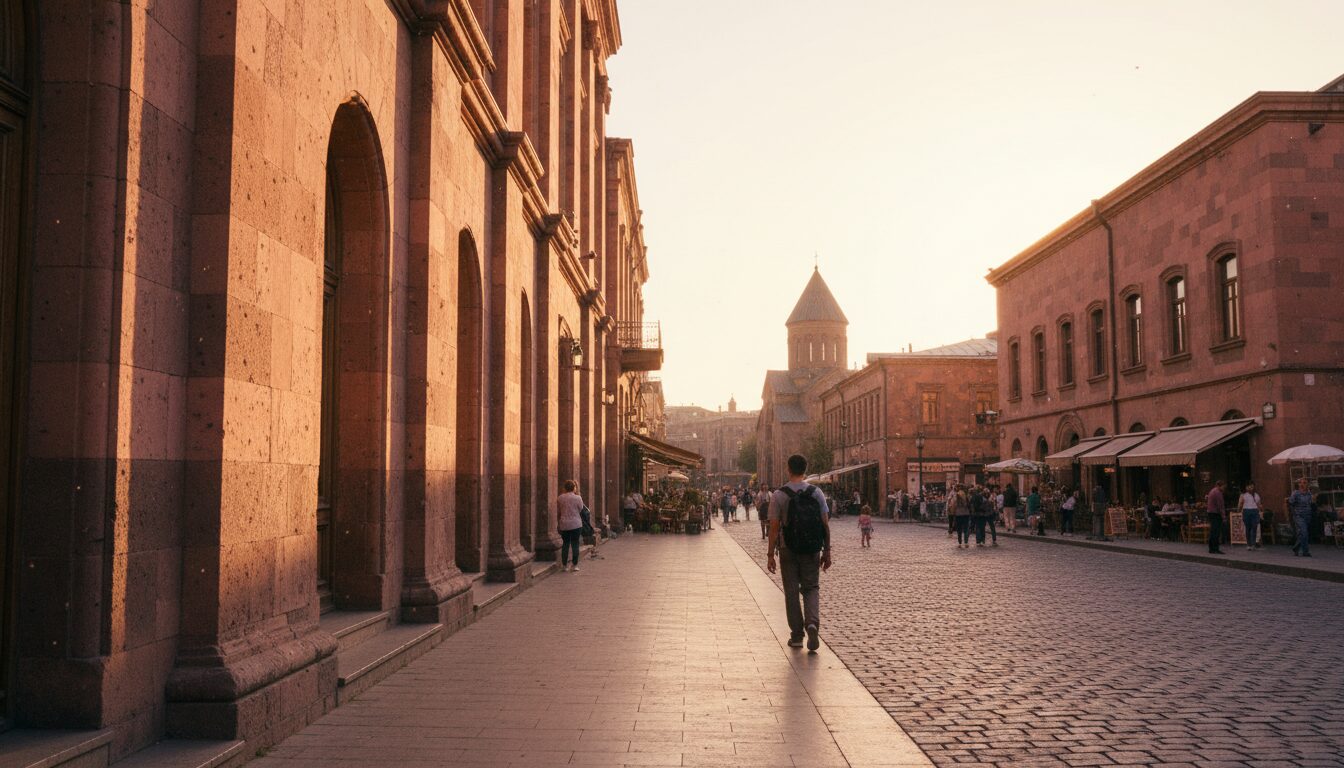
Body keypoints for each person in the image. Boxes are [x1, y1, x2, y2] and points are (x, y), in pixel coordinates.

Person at [766, 454, 832, 652]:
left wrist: (770, 554)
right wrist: (826, 551)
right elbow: (825, 525)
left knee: (792, 592)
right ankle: (812, 623)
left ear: (788, 469)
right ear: (805, 469)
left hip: (788, 549)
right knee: (811, 587)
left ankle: (796, 635)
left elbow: (774, 528)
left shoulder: (779, 495)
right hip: (812, 548)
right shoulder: (816, 493)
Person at [557, 480, 585, 572]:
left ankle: (564, 565)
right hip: (576, 524)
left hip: (564, 524)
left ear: (565, 488)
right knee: (575, 544)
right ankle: (575, 565)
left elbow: (559, 510)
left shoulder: (560, 498)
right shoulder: (578, 498)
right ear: (574, 488)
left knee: (565, 544)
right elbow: (581, 509)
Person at [1288, 478, 1314, 557]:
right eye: (1300, 483)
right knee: (1304, 533)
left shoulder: (1309, 494)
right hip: (1299, 516)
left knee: (1302, 534)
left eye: (1304, 483)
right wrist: (1294, 514)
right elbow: (1290, 503)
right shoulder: (1295, 493)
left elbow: (1310, 504)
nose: (1302, 484)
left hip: (1307, 516)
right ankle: (1305, 552)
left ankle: (1296, 548)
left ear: (1307, 485)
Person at [1238, 482, 1263, 551]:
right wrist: (1239, 510)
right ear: (1246, 488)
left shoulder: (1256, 495)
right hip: (1246, 511)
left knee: (1254, 528)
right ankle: (1248, 544)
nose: (1250, 488)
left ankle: (1253, 544)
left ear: (1254, 487)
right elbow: (1240, 504)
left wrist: (1260, 511)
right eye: (1249, 487)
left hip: (1254, 511)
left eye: (1252, 487)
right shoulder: (1244, 495)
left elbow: (1259, 504)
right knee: (1248, 528)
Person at [1205, 479, 1227, 555]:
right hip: (1215, 513)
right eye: (1223, 486)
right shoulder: (1218, 493)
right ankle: (1216, 548)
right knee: (1216, 532)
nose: (1224, 488)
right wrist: (1223, 516)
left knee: (1213, 531)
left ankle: (1211, 548)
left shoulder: (1212, 491)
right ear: (1219, 486)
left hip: (1211, 512)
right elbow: (1220, 505)